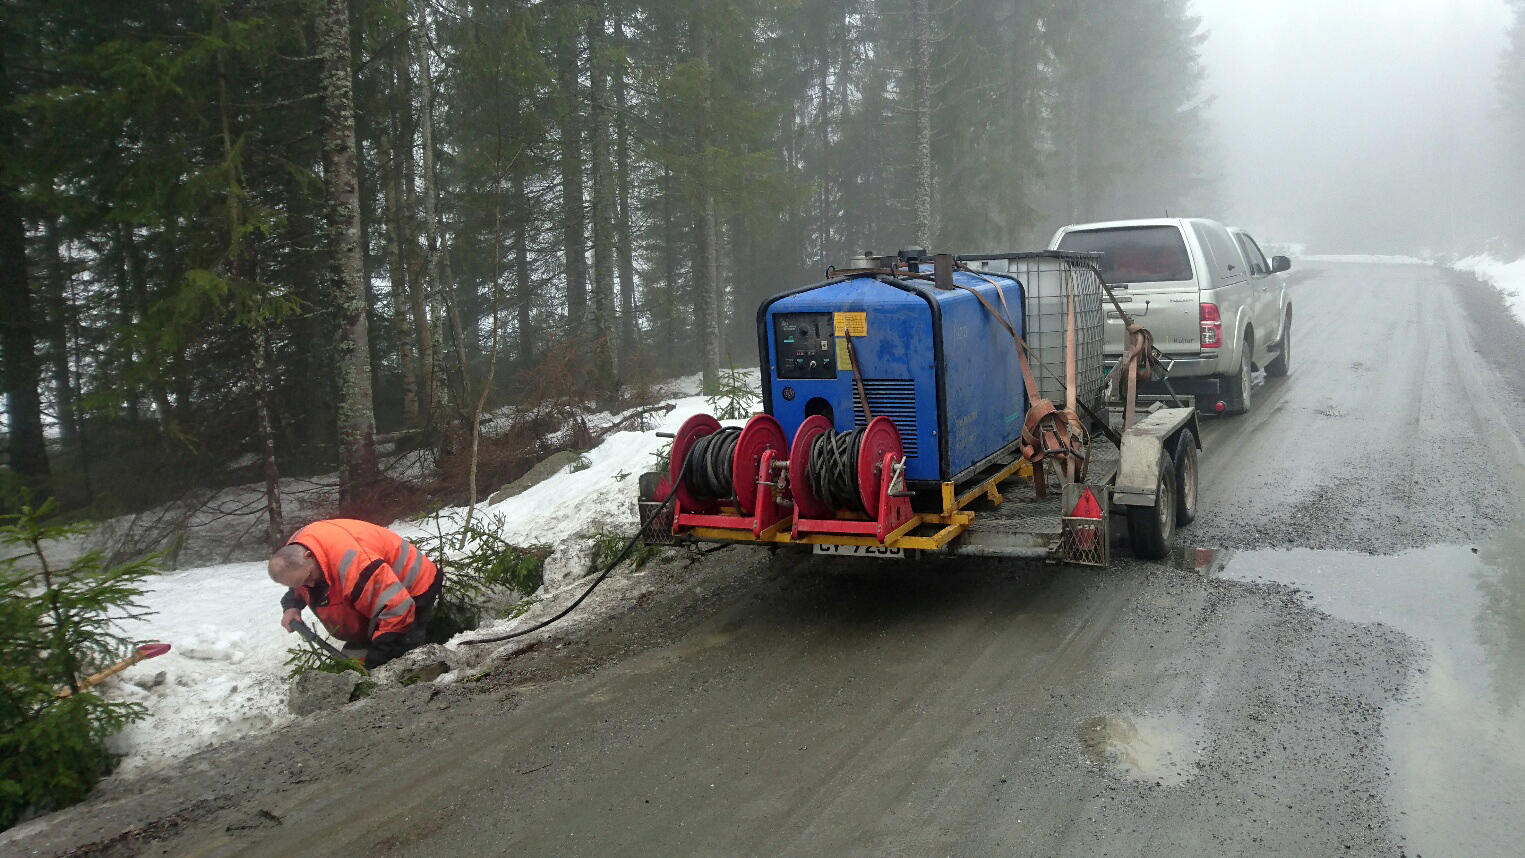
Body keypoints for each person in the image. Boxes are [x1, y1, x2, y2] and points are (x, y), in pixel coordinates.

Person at [269, 519, 443, 669]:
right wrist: (292, 606)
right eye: (302, 583)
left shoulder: (355, 566)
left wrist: (376, 662)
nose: (311, 585)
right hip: (378, 585)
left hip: (414, 585)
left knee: (403, 650)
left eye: (309, 577)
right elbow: (299, 581)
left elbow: (398, 610)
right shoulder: (296, 552)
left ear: (309, 556)